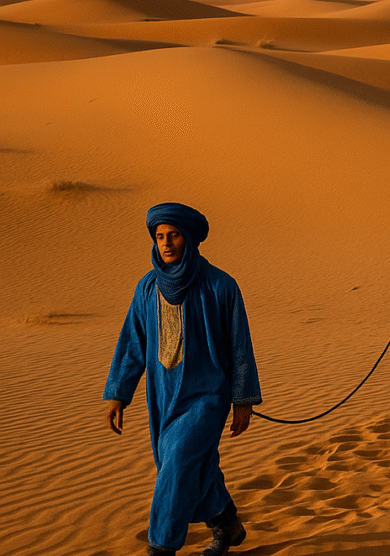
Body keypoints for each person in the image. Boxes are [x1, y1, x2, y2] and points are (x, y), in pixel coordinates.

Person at [103, 203, 261, 556]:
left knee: (177, 464)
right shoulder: (147, 287)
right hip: (163, 395)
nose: (166, 243)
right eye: (160, 236)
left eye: (173, 235)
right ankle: (226, 521)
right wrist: (118, 393)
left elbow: (240, 346)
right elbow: (132, 342)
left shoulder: (221, 286)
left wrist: (243, 399)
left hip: (207, 396)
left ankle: (161, 546)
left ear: (188, 238)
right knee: (191, 463)